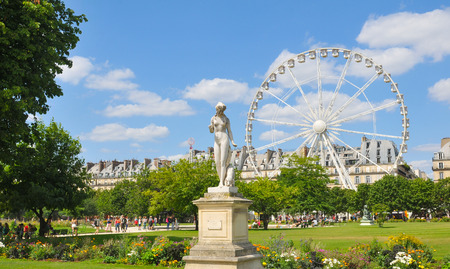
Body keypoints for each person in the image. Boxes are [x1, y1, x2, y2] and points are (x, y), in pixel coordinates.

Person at [209, 102, 237, 187]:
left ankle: (221, 182)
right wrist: (210, 128)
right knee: (217, 162)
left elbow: (229, 131)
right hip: (216, 140)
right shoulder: (213, 118)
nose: (220, 111)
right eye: (219, 110)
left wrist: (232, 141)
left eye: (221, 110)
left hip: (224, 138)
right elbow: (211, 131)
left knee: (223, 162)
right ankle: (221, 179)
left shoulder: (226, 119)